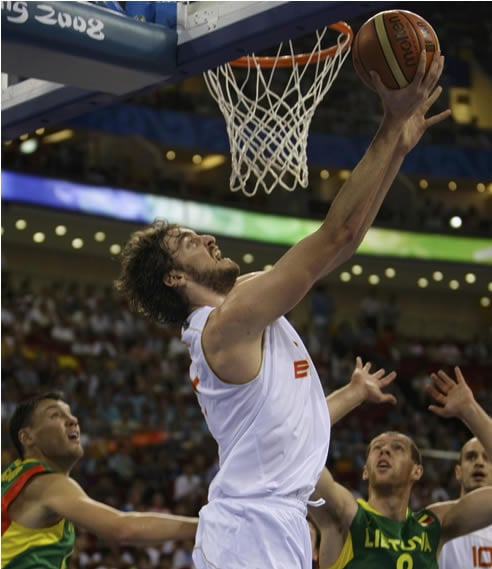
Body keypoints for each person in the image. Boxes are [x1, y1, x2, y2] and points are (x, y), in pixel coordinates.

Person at [114, 50, 450, 569]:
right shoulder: (230, 324)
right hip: (253, 531)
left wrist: (399, 150)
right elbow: (334, 233)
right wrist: (388, 126)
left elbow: (348, 241)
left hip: (274, 526)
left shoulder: (244, 309)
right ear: (174, 277)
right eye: (186, 242)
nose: (205, 236)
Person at [309, 367, 492, 569]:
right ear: (365, 470)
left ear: (417, 471)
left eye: (397, 448)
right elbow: (295, 446)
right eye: (377, 448)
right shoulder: (346, 516)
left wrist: (471, 410)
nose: (385, 451)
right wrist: (353, 393)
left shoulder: (434, 525)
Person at [1, 392, 198, 569]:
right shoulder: (47, 483)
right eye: (55, 415)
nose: (72, 420)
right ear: (27, 437)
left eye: (70, 413)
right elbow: (122, 528)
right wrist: (204, 525)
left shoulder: (11, 478)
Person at [438, 436, 492, 568]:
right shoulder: (440, 520)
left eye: (487, 458)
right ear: (458, 472)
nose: (479, 462)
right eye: (471, 457)